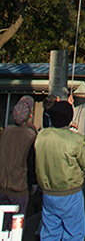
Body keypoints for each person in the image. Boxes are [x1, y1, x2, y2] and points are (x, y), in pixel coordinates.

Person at [35, 100, 85, 241]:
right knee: (74, 233)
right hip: (70, 193)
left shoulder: (41, 136)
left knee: (50, 232)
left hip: (48, 192)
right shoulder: (74, 139)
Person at [0, 96, 37, 230]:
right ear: (30, 114)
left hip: (2, 184)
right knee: (16, 224)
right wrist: (33, 183)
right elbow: (32, 164)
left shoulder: (6, 131)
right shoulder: (31, 135)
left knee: (3, 224)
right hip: (20, 187)